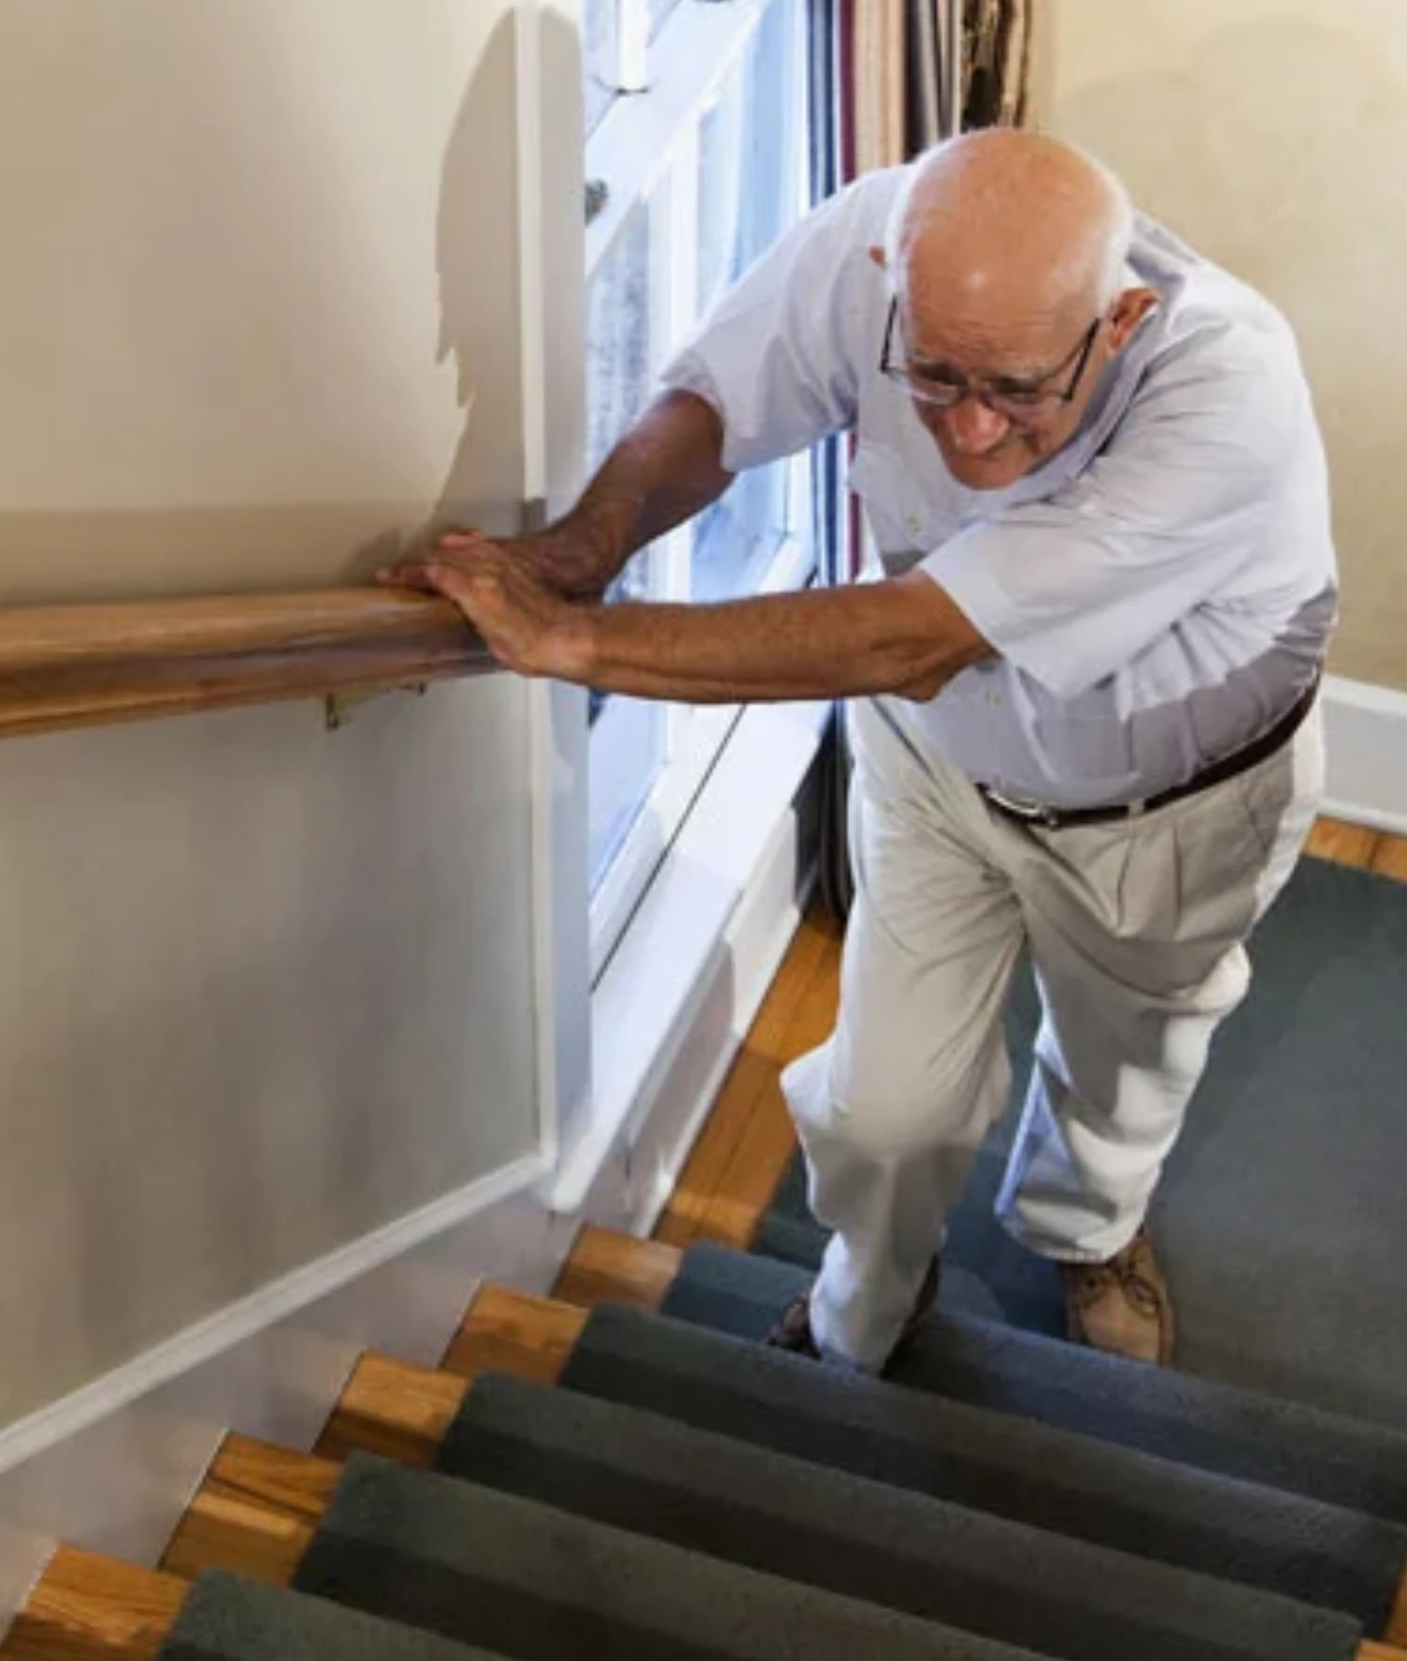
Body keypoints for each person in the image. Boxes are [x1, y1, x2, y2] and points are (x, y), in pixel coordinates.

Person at [396, 127, 1333, 1372]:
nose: (972, 433)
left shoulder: (1229, 394)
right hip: (938, 766)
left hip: (1168, 806)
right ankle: (867, 1298)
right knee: (885, 1107)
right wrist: (588, 545)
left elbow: (911, 637)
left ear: (1120, 324)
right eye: (935, 376)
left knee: (1126, 1067)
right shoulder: (878, 242)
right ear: (895, 278)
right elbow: (718, 403)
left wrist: (569, 638)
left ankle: (1090, 1229)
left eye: (1018, 391)